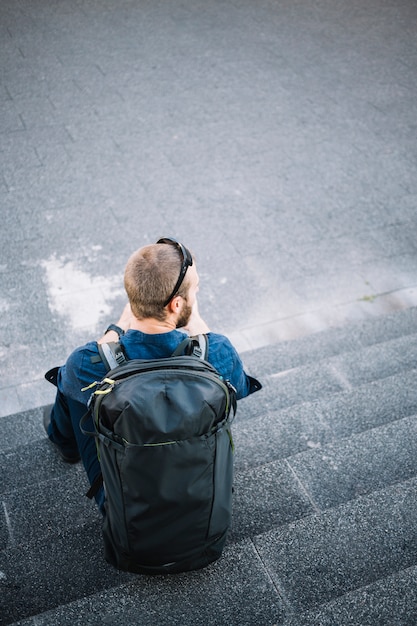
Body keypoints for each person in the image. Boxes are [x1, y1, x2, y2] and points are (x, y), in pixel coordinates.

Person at [44, 237, 260, 514]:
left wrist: (115, 329)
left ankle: (65, 446)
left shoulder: (85, 362)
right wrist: (198, 327)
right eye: (195, 290)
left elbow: (79, 372)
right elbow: (238, 390)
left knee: (71, 386)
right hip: (201, 490)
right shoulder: (218, 351)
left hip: (123, 503)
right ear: (177, 305)